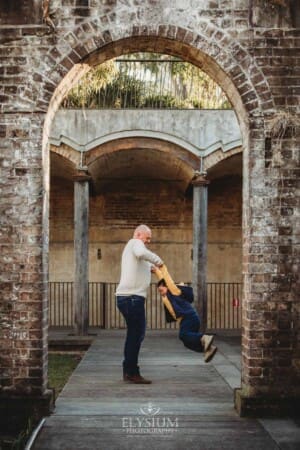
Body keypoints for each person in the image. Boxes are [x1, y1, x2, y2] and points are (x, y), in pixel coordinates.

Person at [116, 224, 163, 384]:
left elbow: (141, 261)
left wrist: (151, 267)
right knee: (136, 335)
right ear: (138, 234)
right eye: (147, 237)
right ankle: (131, 372)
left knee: (134, 335)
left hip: (130, 298)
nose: (148, 241)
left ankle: (129, 370)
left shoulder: (133, 249)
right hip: (131, 298)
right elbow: (142, 252)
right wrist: (159, 261)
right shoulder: (135, 243)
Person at [153, 265, 218, 363]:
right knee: (186, 342)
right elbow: (163, 284)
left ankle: (204, 337)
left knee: (183, 335)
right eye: (159, 291)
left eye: (161, 289)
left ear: (166, 287)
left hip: (189, 317)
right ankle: (208, 349)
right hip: (188, 320)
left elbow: (166, 279)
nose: (160, 292)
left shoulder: (174, 291)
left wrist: (159, 269)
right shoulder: (166, 297)